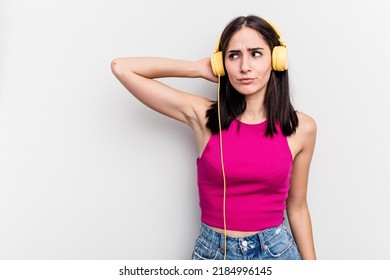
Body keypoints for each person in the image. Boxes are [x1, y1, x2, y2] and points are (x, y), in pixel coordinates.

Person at [111, 15, 317, 260]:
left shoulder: (301, 128)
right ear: (221, 64)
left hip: (276, 251)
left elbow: (297, 206)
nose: (244, 66)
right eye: (233, 55)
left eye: (256, 53)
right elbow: (122, 68)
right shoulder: (205, 117)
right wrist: (198, 69)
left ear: (276, 60)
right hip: (214, 253)